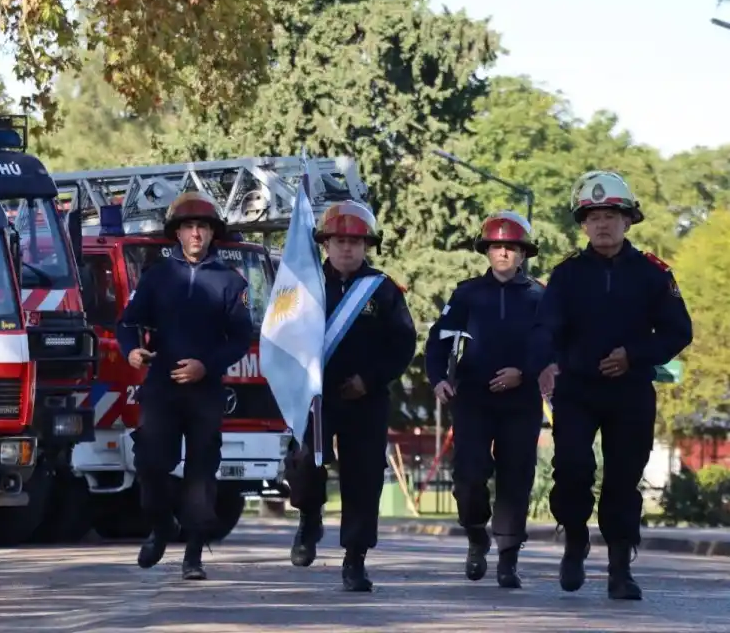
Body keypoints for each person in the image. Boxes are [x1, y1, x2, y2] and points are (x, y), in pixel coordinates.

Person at [530, 170, 693, 600]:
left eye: (611, 215)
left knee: (622, 480)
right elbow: (546, 327)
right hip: (577, 391)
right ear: (582, 225)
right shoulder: (566, 275)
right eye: (593, 216)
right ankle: (574, 541)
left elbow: (678, 332)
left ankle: (620, 569)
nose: (602, 224)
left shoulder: (654, 274)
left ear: (629, 220)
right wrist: (545, 362)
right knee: (571, 469)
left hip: (631, 392)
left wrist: (634, 355)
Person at [117, 190, 253, 580]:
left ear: (212, 233)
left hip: (205, 391)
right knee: (151, 463)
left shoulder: (230, 282)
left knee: (201, 473)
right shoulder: (158, 276)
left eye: (203, 227)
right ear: (176, 233)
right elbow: (127, 323)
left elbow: (240, 338)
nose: (196, 234)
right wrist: (132, 352)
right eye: (189, 227)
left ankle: (193, 554)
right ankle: (160, 527)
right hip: (161, 387)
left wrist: (205, 366)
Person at [285, 200, 417, 592]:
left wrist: (371, 379)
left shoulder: (383, 290)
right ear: (325, 243)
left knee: (363, 479)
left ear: (367, 246)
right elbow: (281, 336)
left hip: (366, 397)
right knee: (304, 464)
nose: (347, 249)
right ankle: (309, 515)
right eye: (340, 240)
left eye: (356, 242)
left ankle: (355, 558)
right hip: (314, 398)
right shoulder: (302, 286)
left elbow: (403, 344)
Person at [425, 210, 545, 589]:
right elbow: (438, 340)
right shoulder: (467, 294)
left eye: (511, 247)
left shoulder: (540, 296)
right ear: (487, 251)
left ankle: (508, 558)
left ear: (523, 253)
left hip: (521, 400)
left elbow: (551, 344)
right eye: (497, 246)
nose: (504, 253)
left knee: (516, 478)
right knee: (469, 475)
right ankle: (476, 534)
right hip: (473, 397)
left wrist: (523, 373)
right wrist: (438, 379)